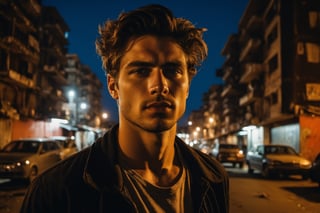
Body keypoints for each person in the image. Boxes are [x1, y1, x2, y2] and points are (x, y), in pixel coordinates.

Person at [21, 4, 229, 212]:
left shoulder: (213, 179)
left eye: (172, 70)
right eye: (141, 71)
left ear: (187, 86)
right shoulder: (56, 192)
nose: (159, 85)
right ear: (114, 86)